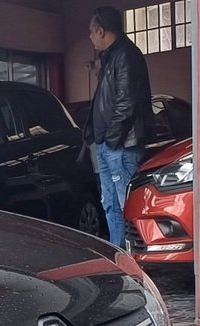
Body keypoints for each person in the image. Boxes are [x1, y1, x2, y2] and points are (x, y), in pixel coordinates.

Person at [87, 6, 154, 248]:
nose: (90, 37)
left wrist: (111, 140)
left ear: (101, 30)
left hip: (122, 146)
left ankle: (133, 260)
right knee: (110, 204)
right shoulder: (112, 57)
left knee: (125, 206)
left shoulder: (126, 55)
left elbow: (127, 103)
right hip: (110, 145)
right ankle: (120, 256)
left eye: (91, 32)